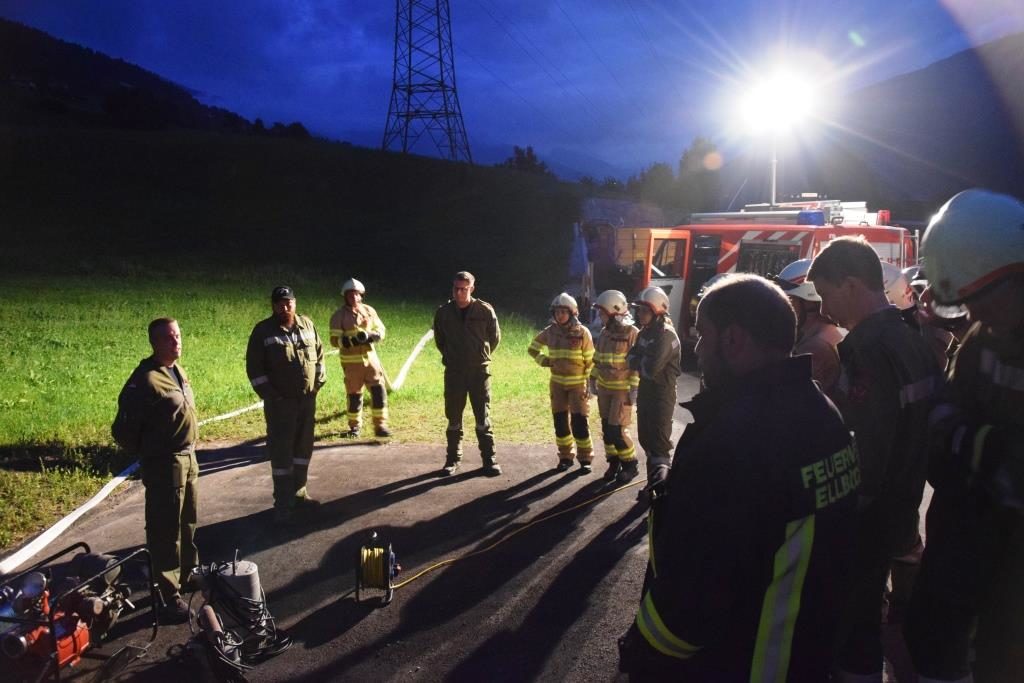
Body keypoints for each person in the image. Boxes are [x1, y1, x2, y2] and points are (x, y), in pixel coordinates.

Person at [618, 274, 859, 681]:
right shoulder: (823, 413)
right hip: (808, 655)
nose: (697, 349)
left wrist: (640, 656)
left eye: (702, 337)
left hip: (742, 663)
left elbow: (691, 597)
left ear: (732, 339)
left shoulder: (732, 438)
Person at [806, 237, 941, 681]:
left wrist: (844, 512)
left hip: (868, 516)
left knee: (855, 627)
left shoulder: (865, 349)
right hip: (903, 506)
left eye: (826, 294)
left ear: (850, 284)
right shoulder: (912, 340)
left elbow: (866, 443)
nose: (825, 310)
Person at [903, 189, 1024, 682]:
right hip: (968, 546)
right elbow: (944, 415)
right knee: (929, 635)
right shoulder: (983, 339)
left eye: (977, 299)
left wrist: (973, 445)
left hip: (1009, 570)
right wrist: (985, 447)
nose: (971, 316)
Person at [112, 318, 198, 623]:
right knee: (165, 529)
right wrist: (153, 450)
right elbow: (123, 431)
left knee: (188, 521)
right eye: (169, 338)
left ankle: (188, 573)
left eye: (178, 335)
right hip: (165, 464)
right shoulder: (145, 380)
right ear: (155, 343)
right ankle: (168, 593)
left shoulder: (177, 370)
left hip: (188, 459)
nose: (176, 342)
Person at [246, 286, 326, 523]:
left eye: (288, 302)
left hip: (307, 401)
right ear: (273, 306)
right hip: (281, 406)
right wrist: (271, 396)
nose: (285, 307)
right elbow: (255, 369)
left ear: (295, 303)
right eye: (280, 303)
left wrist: (317, 384)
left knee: (303, 449)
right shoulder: (263, 331)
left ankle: (300, 494)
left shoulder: (307, 325)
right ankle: (283, 503)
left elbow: (319, 356)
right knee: (282, 454)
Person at [432, 271, 502, 477]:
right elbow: (440, 340)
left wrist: (480, 354)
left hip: (479, 372)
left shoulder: (484, 310)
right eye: (456, 288)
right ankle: (452, 460)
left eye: (464, 289)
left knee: (483, 416)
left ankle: (489, 460)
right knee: (453, 417)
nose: (459, 293)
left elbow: (494, 338)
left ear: (472, 288)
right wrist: (453, 356)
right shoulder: (443, 312)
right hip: (454, 372)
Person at [529, 293, 596, 473]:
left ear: (572, 313)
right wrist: (544, 361)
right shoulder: (550, 331)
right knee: (560, 422)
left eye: (563, 312)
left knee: (579, 422)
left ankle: (585, 458)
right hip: (557, 385)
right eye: (557, 312)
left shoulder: (583, 333)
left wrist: (589, 386)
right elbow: (533, 348)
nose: (559, 315)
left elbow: (590, 361)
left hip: (577, 385)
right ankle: (565, 457)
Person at [626, 286, 681, 496]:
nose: (639, 314)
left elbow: (650, 368)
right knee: (647, 439)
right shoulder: (645, 333)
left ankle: (662, 492)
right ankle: (653, 485)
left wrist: (640, 359)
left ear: (657, 311)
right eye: (639, 310)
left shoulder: (666, 335)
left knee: (659, 444)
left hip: (661, 395)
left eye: (644, 311)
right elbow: (629, 359)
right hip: (647, 393)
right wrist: (641, 359)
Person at [589, 290, 641, 482]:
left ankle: (630, 464)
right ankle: (614, 462)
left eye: (602, 313)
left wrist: (634, 390)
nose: (600, 318)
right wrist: (592, 379)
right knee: (606, 429)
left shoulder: (632, 333)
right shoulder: (604, 333)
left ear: (613, 312)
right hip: (605, 388)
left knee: (617, 430)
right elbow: (598, 359)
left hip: (622, 390)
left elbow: (636, 365)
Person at [329, 278, 390, 438]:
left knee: (378, 392)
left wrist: (374, 335)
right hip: (352, 364)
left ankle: (380, 425)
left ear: (361, 295)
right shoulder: (338, 316)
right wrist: (354, 340)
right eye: (350, 295)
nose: (354, 298)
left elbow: (381, 329)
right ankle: (354, 428)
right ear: (345, 296)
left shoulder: (369, 311)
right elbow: (334, 341)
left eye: (356, 294)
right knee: (354, 396)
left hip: (371, 362)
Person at [773, 258, 844, 396]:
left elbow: (789, 397)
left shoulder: (814, 349)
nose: (783, 307)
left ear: (809, 303)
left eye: (789, 300)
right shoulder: (826, 333)